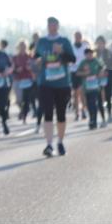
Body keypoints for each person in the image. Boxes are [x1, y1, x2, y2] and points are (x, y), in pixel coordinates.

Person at [34, 17, 76, 157]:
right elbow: (36, 58)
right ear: (47, 26)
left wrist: (62, 51)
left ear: (58, 26)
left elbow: (72, 59)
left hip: (62, 83)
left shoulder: (64, 41)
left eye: (54, 24)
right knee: (47, 113)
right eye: (49, 25)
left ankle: (60, 142)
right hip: (45, 83)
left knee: (61, 114)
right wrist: (38, 61)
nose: (52, 27)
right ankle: (49, 144)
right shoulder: (42, 42)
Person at [75, 48, 105, 130]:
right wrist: (85, 73)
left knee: (94, 104)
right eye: (88, 54)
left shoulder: (96, 61)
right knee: (89, 104)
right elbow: (77, 73)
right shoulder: (83, 63)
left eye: (91, 54)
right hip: (87, 87)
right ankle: (91, 119)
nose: (90, 55)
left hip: (96, 87)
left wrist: (101, 72)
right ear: (85, 55)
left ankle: (93, 121)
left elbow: (102, 68)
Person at [12, 39, 38, 126]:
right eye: (21, 46)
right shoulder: (15, 58)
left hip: (28, 80)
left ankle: (24, 117)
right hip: (18, 80)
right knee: (19, 100)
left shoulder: (30, 57)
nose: (22, 47)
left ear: (26, 47)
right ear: (18, 47)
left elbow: (36, 67)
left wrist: (31, 69)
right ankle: (22, 110)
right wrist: (16, 70)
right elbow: (11, 69)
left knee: (26, 99)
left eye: (24, 46)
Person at [94, 36, 112, 124]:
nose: (100, 45)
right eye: (98, 43)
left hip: (108, 77)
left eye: (101, 43)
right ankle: (102, 118)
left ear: (104, 43)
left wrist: (108, 72)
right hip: (97, 79)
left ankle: (109, 113)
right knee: (99, 98)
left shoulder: (109, 53)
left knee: (108, 96)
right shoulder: (93, 54)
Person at [70, 31, 91, 121]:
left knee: (83, 92)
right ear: (74, 37)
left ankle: (83, 110)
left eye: (79, 36)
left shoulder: (85, 47)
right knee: (75, 93)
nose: (78, 38)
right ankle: (76, 112)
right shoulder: (71, 47)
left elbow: (89, 57)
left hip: (83, 71)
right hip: (74, 71)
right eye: (76, 36)